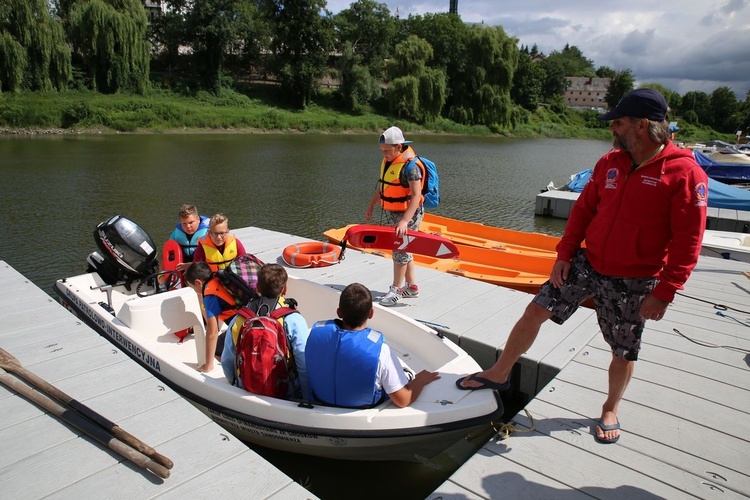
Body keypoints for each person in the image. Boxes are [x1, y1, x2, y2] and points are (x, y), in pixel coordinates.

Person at [456, 89, 708, 445]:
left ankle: (610, 408)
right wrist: (564, 252)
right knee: (535, 310)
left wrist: (665, 292)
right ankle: (499, 373)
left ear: (642, 126)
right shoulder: (611, 162)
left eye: (618, 123)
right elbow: (584, 210)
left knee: (623, 348)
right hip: (587, 263)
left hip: (635, 278)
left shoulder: (685, 174)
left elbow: (688, 241)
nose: (612, 130)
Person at [306, 283, 440, 408]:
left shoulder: (314, 334)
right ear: (371, 313)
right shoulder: (380, 351)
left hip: (320, 402)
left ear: (339, 312)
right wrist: (421, 379)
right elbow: (403, 400)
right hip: (362, 410)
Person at [221, 264, 311, 401]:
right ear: (284, 289)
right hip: (285, 392)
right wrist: (306, 397)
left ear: (257, 288)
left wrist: (236, 384)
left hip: (246, 387)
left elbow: (227, 360)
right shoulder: (292, 319)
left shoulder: (240, 318)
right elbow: (303, 362)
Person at [365, 126, 425, 306]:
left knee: (399, 251)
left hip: (409, 215)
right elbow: (384, 186)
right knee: (404, 250)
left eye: (387, 151)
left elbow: (416, 196)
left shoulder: (411, 167)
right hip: (394, 214)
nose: (384, 154)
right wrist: (372, 204)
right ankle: (412, 287)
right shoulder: (389, 161)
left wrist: (405, 221)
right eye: (382, 151)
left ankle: (395, 290)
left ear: (399, 147)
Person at [184, 261, 239, 373]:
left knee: (217, 349)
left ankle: (236, 376)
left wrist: (208, 365)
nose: (195, 291)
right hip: (253, 315)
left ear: (198, 282)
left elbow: (212, 332)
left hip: (242, 326)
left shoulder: (209, 295)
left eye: (193, 287)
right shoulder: (219, 278)